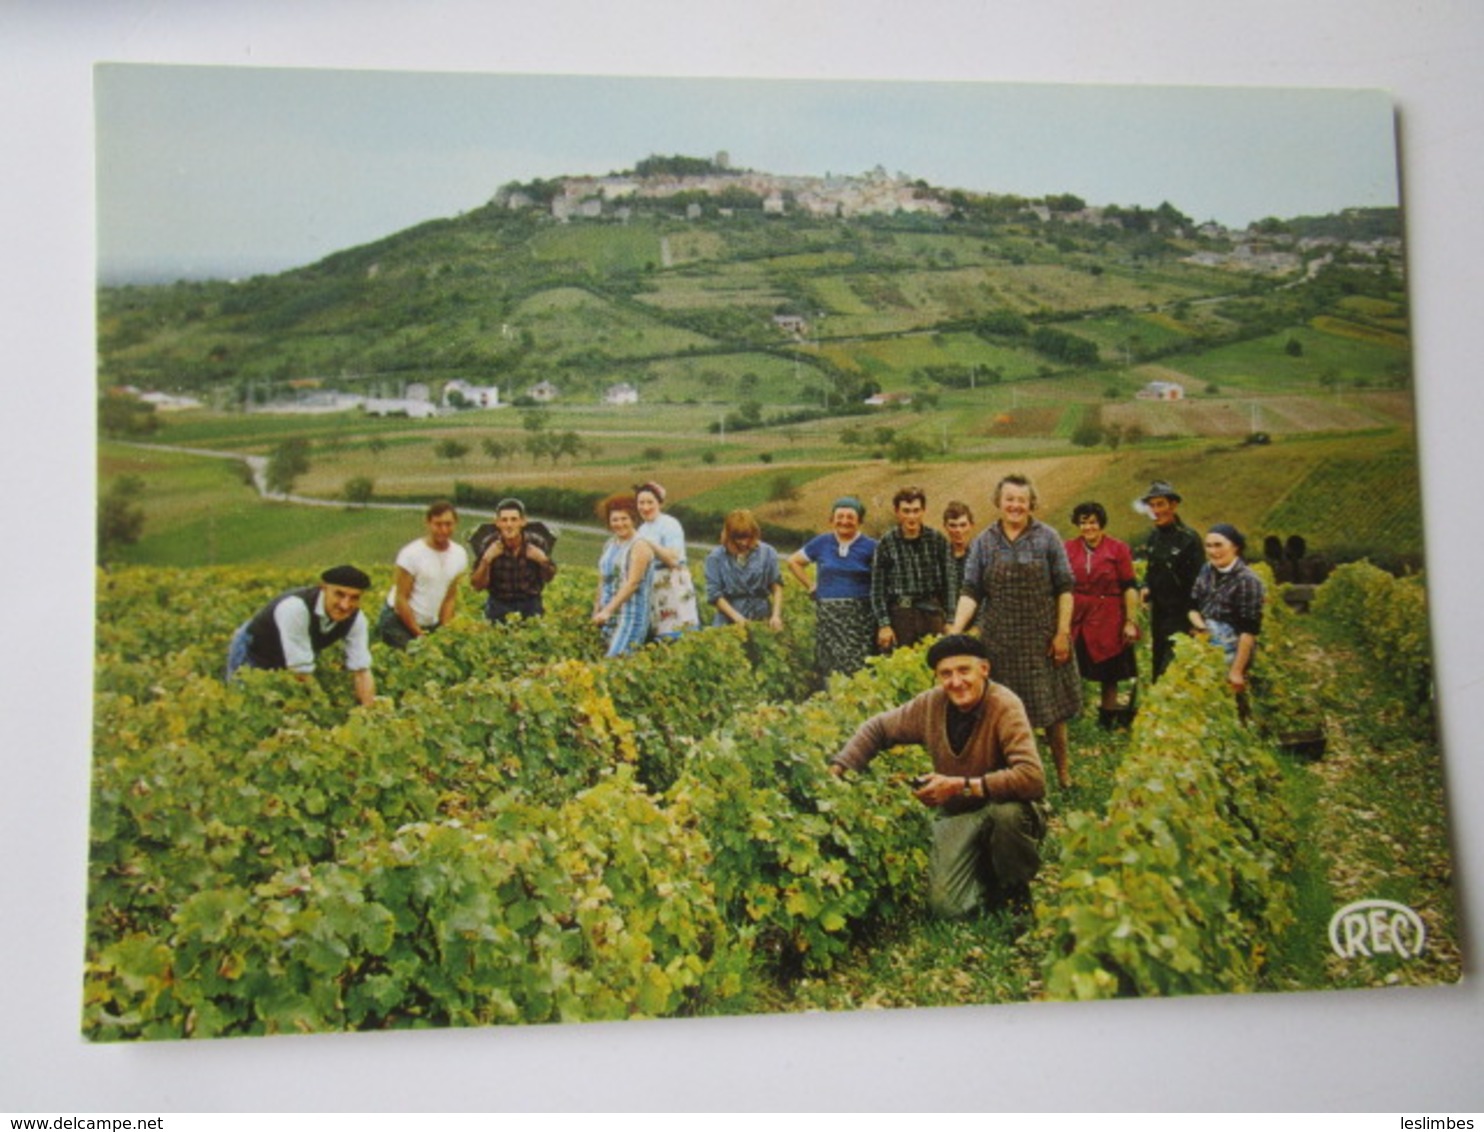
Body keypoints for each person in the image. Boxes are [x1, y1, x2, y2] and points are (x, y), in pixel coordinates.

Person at [829, 634, 1047, 918]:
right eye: (946, 674)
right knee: (945, 908)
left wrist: (962, 786)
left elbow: (1032, 778)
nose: (955, 682)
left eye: (964, 670)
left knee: (1006, 816)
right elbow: (878, 728)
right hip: (959, 815)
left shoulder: (1005, 705)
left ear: (984, 669)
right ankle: (984, 868)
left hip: (1007, 809)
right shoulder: (931, 705)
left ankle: (1014, 891)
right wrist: (839, 769)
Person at [949, 473, 1081, 790]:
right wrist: (956, 629)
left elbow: (1065, 588)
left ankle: (1063, 775)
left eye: (1021, 500)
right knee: (1001, 713)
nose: (1015, 506)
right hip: (1000, 642)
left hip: (1042, 639)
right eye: (1009, 499)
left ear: (1030, 503)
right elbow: (971, 590)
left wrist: (1062, 633)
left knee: (1052, 712)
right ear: (999, 502)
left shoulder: (1048, 538)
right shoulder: (983, 542)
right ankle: (1010, 777)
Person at [226, 565, 376, 706]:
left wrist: (369, 712)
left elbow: (362, 670)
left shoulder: (357, 620)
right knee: (244, 702)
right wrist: (322, 706)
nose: (345, 605)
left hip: (292, 653)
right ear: (323, 588)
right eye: (339, 594)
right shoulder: (295, 608)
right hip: (256, 647)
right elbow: (301, 672)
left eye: (354, 598)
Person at [1065, 501, 1140, 728]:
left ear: (1101, 524)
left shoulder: (1118, 549)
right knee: (1071, 666)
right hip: (1078, 615)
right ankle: (1072, 714)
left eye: (1093, 522)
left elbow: (1129, 586)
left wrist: (1130, 621)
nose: (1088, 527)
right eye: (1083, 523)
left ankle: (1108, 717)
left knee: (1109, 670)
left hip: (1109, 616)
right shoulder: (1068, 548)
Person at [787, 497, 878, 678]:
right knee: (829, 664)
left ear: (859, 521)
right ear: (831, 520)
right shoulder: (821, 543)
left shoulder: (872, 546)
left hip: (859, 619)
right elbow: (793, 562)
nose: (844, 521)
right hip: (828, 616)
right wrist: (811, 585)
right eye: (840, 516)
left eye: (850, 517)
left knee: (857, 664)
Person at [870, 486, 956, 653]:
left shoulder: (937, 540)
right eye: (906, 511)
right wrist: (884, 624)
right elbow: (877, 588)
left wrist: (950, 620)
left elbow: (950, 583)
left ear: (923, 511)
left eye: (916, 510)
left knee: (936, 663)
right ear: (897, 512)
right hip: (900, 615)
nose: (911, 516)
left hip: (932, 614)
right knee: (901, 666)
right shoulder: (886, 543)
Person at [1189, 523, 1266, 709]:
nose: (1213, 551)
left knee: (1229, 702)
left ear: (1235, 547)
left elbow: (1249, 630)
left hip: (1233, 647)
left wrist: (1237, 670)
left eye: (1219, 545)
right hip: (1206, 641)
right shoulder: (1207, 570)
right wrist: (1201, 627)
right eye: (1208, 546)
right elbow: (1192, 606)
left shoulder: (1248, 581)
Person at [377, 500, 469, 648]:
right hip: (398, 621)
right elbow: (401, 600)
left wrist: (446, 632)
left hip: (429, 623)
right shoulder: (411, 554)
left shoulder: (459, 555)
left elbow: (449, 598)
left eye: (448, 524)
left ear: (456, 524)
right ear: (427, 523)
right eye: (438, 524)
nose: (443, 530)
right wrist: (419, 635)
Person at [1137, 480, 1203, 682]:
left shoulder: (1189, 539)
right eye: (1152, 506)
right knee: (1159, 670)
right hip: (1160, 615)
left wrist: (1197, 622)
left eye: (1160, 504)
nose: (1156, 511)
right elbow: (1150, 571)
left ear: (1173, 505)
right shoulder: (1152, 538)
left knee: (1176, 670)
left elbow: (1199, 583)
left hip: (1183, 614)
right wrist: (1146, 587)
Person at [470, 497, 556, 622]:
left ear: (523, 522)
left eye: (514, 520)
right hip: (498, 605)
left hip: (531, 604)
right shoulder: (488, 544)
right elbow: (477, 585)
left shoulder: (536, 542)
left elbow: (549, 578)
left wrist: (542, 560)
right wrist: (486, 560)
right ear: (497, 523)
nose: (509, 525)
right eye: (504, 520)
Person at [635, 481, 700, 641]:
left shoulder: (669, 524)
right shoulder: (642, 528)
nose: (645, 507)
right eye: (641, 503)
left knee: (680, 632)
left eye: (650, 502)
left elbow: (673, 560)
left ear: (660, 503)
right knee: (660, 633)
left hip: (672, 582)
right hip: (654, 584)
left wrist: (649, 543)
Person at [592, 493, 655, 658]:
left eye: (624, 519)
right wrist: (597, 610)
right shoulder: (610, 544)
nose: (619, 524)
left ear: (633, 518)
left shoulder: (639, 545)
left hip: (631, 616)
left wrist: (608, 611)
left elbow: (633, 583)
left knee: (615, 661)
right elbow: (603, 580)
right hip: (607, 615)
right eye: (615, 520)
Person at [704, 509, 783, 630]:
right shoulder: (716, 557)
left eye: (747, 537)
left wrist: (776, 615)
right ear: (729, 536)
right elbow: (715, 595)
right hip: (729, 619)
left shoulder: (767, 553)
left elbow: (776, 586)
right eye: (738, 538)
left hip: (761, 616)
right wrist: (737, 618)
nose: (743, 542)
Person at [943, 500, 976, 599]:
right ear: (945, 526)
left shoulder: (981, 557)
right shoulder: (939, 556)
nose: (958, 530)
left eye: (963, 525)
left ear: (971, 525)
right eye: (953, 525)